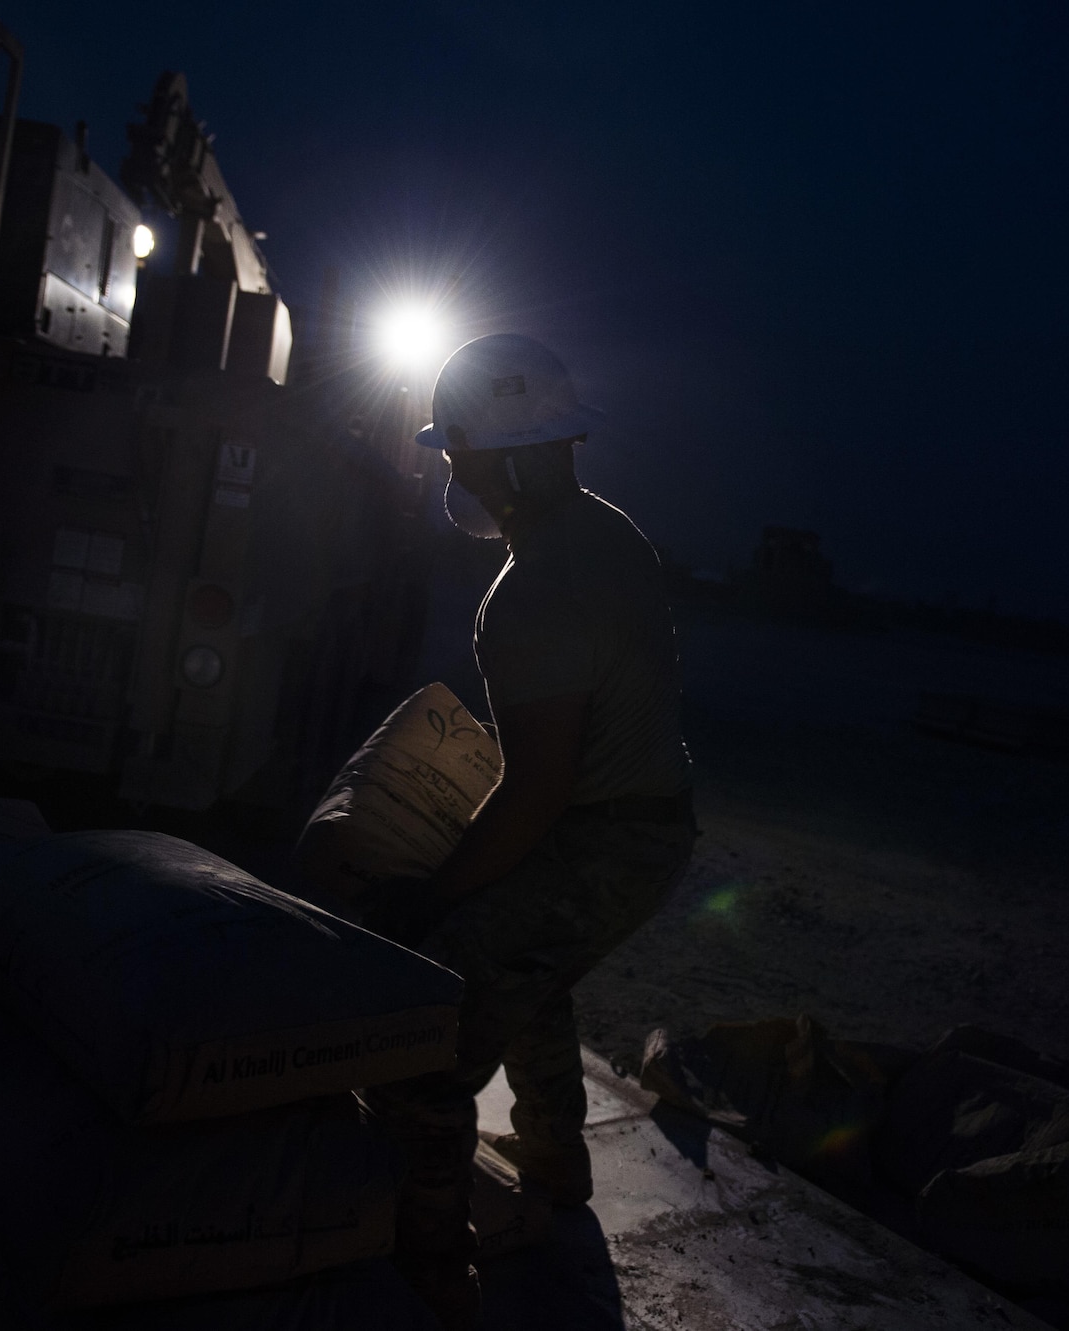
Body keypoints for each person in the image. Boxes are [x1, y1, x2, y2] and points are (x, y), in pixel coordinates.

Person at [363, 334, 696, 1328]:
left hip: (603, 836)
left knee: (439, 1029)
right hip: (646, 817)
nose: (449, 469)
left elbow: (535, 794)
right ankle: (555, 1160)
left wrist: (433, 895)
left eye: (458, 451)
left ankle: (430, 1274)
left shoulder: (529, 594)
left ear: (507, 458)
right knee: (528, 969)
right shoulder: (609, 531)